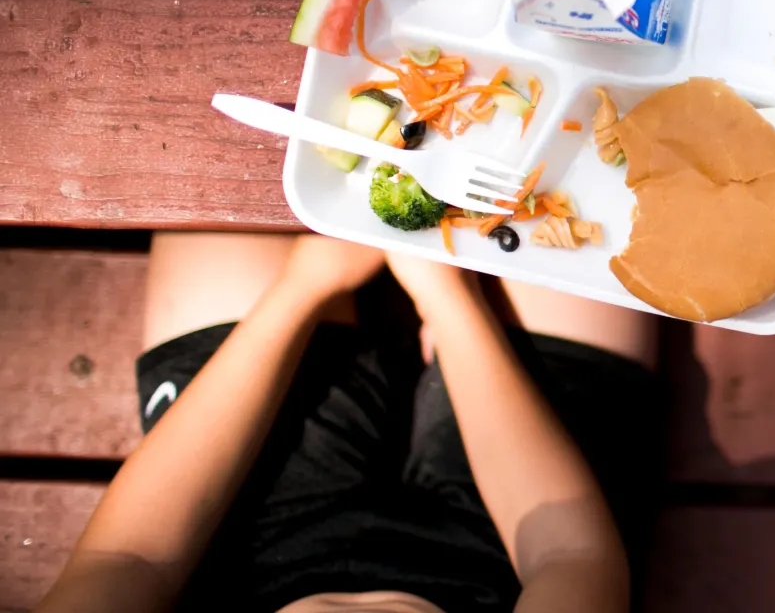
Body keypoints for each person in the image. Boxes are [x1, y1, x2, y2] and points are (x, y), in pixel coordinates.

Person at [37, 235, 662, 613]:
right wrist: (447, 298)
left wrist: (302, 290)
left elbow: (131, 557)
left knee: (235, 150)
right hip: (509, 546)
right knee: (577, 198)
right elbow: (572, 556)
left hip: (247, 523)